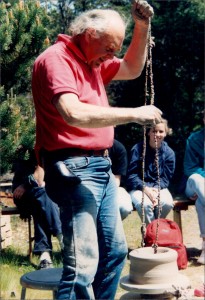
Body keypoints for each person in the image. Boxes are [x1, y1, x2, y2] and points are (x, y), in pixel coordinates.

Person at [32, 1, 163, 299]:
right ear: (89, 34)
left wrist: (141, 27)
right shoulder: (57, 60)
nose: (111, 57)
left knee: (115, 253)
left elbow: (131, 68)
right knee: (83, 266)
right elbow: (72, 112)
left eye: (114, 50)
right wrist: (134, 113)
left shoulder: (92, 61)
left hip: (100, 169)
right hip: (72, 169)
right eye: (109, 48)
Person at [12, 155, 63, 269]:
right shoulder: (26, 149)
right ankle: (61, 236)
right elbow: (38, 180)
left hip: (43, 198)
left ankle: (44, 255)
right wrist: (27, 183)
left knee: (41, 203)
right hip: (23, 195)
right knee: (43, 195)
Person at [127, 118, 175, 225]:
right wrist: (146, 189)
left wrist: (155, 191)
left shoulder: (169, 153)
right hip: (139, 187)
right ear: (148, 132)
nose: (157, 134)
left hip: (159, 188)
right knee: (145, 204)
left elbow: (165, 179)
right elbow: (132, 176)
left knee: (166, 203)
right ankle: (152, 237)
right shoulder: (137, 149)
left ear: (166, 133)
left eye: (161, 131)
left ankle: (153, 233)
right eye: (154, 131)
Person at [183, 110, 205, 265]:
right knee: (198, 180)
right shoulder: (194, 139)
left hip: (201, 195)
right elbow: (190, 168)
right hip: (193, 185)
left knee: (201, 202)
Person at [109, 139, 133, 220]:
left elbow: (117, 180)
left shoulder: (118, 148)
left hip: (114, 187)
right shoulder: (89, 145)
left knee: (125, 207)